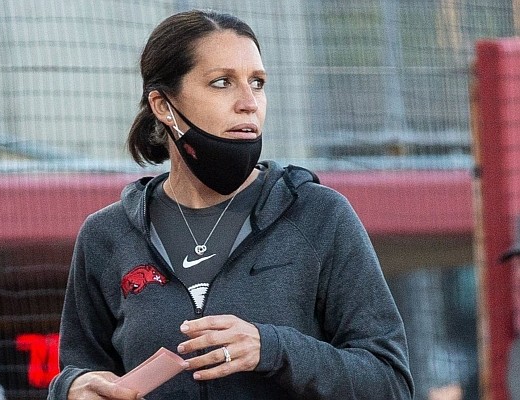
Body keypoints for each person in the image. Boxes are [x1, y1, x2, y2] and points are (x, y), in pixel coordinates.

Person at [48, 9, 414, 400]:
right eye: (222, 83)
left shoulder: (319, 215)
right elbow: (82, 371)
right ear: (162, 105)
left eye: (257, 83)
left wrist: (273, 348)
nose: (248, 102)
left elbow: (390, 381)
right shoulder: (107, 234)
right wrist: (70, 389)